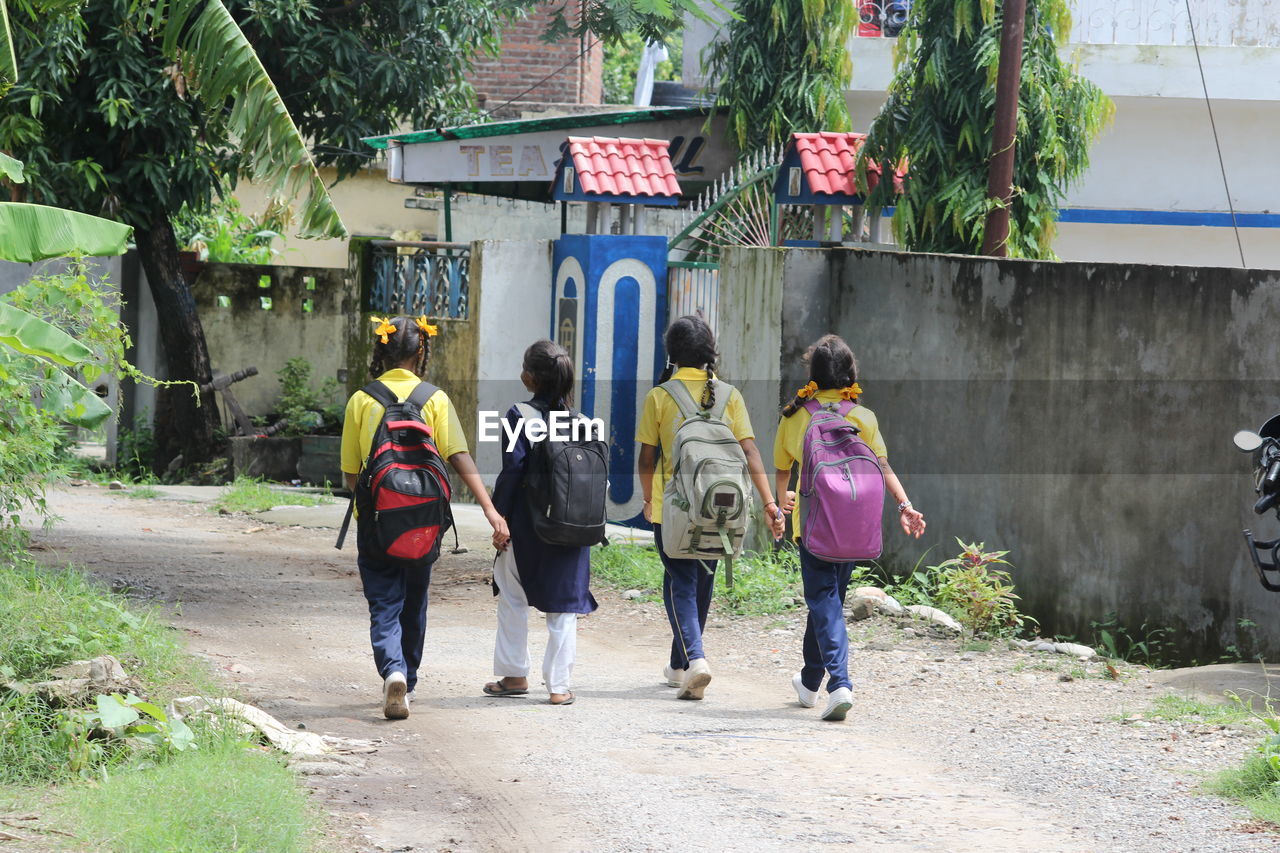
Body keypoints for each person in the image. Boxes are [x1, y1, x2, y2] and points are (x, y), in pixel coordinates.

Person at [340, 315, 509, 720]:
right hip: (425, 522)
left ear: (380, 350)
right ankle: (407, 680)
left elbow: (350, 474)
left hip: (377, 521)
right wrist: (490, 509)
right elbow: (458, 457)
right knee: (414, 600)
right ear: (421, 351)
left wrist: (378, 502)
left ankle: (392, 670)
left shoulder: (362, 400)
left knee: (383, 602)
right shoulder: (435, 399)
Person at [774, 334, 926, 722]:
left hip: (814, 527)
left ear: (813, 374)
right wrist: (905, 506)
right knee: (825, 602)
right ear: (850, 374)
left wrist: (781, 501)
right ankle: (809, 683)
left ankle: (840, 683)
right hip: (856, 527)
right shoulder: (864, 416)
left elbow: (782, 468)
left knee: (824, 602)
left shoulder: (796, 416)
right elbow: (884, 466)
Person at [637, 315, 785, 700]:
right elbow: (749, 451)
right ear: (709, 351)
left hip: (673, 508)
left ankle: (696, 659)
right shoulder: (730, 395)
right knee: (701, 580)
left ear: (672, 353)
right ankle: (679, 665)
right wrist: (769, 502)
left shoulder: (660, 396)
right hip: (721, 508)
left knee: (679, 581)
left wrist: (648, 499)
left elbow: (646, 459)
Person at [484, 340, 597, 706]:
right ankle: (559, 688)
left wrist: (499, 517)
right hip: (573, 526)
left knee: (513, 595)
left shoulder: (519, 415)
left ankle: (515, 675)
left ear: (529, 378)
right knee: (565, 604)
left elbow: (513, 471)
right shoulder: (583, 421)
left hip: (528, 526)